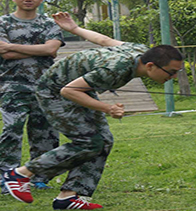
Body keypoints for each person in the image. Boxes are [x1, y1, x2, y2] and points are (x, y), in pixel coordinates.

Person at [2, 12, 184, 209]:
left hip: (78, 89)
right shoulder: (116, 69)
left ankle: (68, 197)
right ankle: (20, 174)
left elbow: (104, 40)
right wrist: (108, 108)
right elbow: (68, 90)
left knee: (104, 141)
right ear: (150, 66)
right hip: (53, 92)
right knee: (88, 142)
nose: (173, 77)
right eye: (171, 72)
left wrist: (75, 29)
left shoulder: (139, 51)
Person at [0, 0, 64, 191]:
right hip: (11, 86)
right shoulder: (3, 23)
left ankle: (39, 176)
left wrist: (12, 47)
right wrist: (39, 48)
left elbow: (50, 50)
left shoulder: (49, 24)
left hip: (45, 86)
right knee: (11, 130)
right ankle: (6, 176)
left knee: (45, 132)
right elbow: (3, 53)